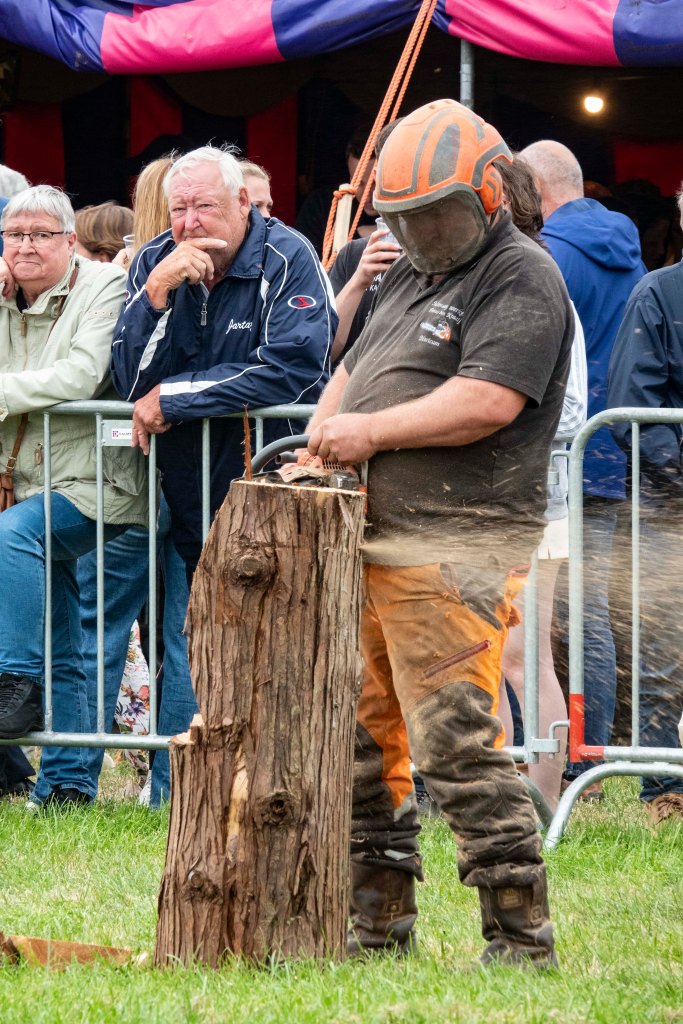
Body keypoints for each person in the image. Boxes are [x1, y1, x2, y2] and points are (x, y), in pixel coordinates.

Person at [306, 99, 572, 965]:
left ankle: (519, 937)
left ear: (491, 193)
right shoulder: (407, 274)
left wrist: (367, 434)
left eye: (437, 216)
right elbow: (352, 370)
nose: (421, 234)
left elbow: (487, 400)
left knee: (453, 740)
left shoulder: (521, 274)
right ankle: (378, 925)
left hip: (453, 548)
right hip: (373, 541)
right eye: (406, 218)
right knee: (359, 739)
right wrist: (323, 432)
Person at [110, 144, 335, 575]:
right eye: (179, 209)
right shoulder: (155, 261)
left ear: (242, 202)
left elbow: (291, 368)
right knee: (202, 608)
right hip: (186, 486)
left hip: (274, 482)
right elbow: (130, 381)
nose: (190, 222)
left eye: (204, 206)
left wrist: (174, 397)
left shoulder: (289, 255)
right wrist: (155, 295)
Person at [0, 185, 146, 808]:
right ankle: (67, 784)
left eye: (40, 235)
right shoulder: (4, 292)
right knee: (68, 635)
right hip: (25, 481)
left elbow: (85, 373)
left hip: (97, 485)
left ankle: (15, 683)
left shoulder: (103, 286)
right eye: (15, 235)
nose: (26, 246)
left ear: (68, 240)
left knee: (13, 535)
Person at [520, 140, 646, 795]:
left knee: (561, 619)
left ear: (535, 191)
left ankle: (577, 759)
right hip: (607, 446)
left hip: (558, 452)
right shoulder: (627, 251)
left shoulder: (548, 257)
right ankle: (587, 756)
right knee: (587, 610)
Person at [494, 156, 587, 811]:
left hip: (536, 501)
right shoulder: (501, 280)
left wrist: (489, 420)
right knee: (486, 656)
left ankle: (545, 798)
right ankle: (499, 795)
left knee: (522, 657)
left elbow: (574, 408)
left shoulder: (540, 282)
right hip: (491, 501)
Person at [607, 182, 683, 824]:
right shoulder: (656, 294)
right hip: (669, 506)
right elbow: (634, 408)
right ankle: (664, 790)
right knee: (663, 649)